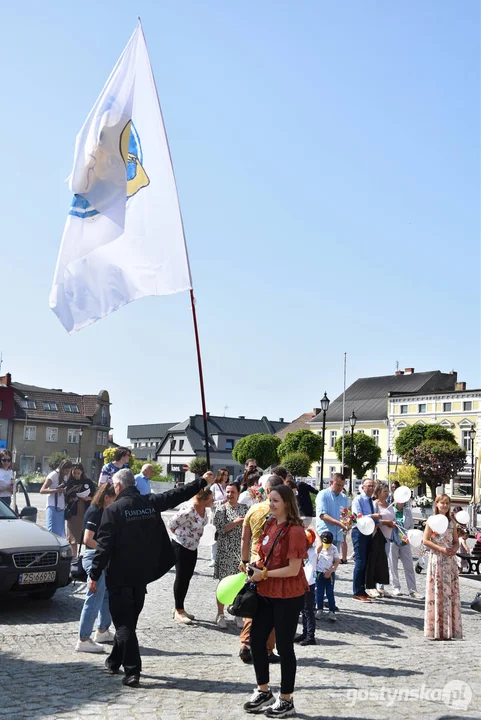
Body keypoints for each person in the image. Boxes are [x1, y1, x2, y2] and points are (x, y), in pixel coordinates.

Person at [88, 468, 207, 686]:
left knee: (124, 624)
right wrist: (200, 482)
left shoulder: (113, 510)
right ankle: (114, 660)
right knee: (129, 623)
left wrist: (94, 575)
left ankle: (133, 671)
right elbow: (176, 495)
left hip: (120, 576)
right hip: (142, 574)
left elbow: (103, 547)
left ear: (118, 486)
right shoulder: (149, 502)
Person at [243, 484, 308, 718]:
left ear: (287, 504)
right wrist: (254, 567)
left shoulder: (296, 531)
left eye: (275, 501)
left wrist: (266, 574)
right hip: (266, 590)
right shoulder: (269, 523)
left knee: (284, 646)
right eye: (269, 500)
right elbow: (263, 555)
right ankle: (264, 691)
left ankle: (286, 699)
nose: (270, 504)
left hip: (289, 595)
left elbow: (293, 569)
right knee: (256, 640)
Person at [238, 474, 284, 664]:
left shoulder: (253, 509)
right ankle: (266, 649)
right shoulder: (283, 511)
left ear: (265, 490)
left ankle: (245, 644)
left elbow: (244, 538)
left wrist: (244, 560)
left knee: (252, 605)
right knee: (272, 608)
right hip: (274, 565)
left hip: (255, 562)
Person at [76, 483, 116, 653]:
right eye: (114, 499)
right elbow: (87, 539)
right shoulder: (95, 511)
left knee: (105, 595)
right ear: (106, 497)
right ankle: (83, 639)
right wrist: (105, 549)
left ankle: (103, 630)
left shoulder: (103, 510)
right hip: (93, 557)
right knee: (94, 598)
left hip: (100, 557)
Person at [168, 485, 214, 624]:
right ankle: (179, 611)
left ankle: (179, 606)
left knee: (187, 577)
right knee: (181, 577)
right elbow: (171, 523)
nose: (213, 501)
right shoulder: (189, 510)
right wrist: (181, 536)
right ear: (204, 500)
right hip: (181, 546)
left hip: (192, 546)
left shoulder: (204, 509)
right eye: (211, 499)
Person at [423, 493, 462, 640]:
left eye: (447, 503)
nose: (445, 505)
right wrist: (440, 549)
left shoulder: (451, 522)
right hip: (438, 560)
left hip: (449, 561)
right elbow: (425, 540)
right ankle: (437, 629)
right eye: (442, 503)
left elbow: (456, 541)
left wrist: (455, 549)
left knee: (449, 593)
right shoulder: (431, 521)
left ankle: (449, 629)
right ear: (437, 504)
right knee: (438, 592)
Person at [213, 481, 247, 628]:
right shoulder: (221, 509)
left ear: (238, 493)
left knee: (239, 585)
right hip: (225, 551)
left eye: (232, 492)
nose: (229, 494)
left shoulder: (245, 508)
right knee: (223, 583)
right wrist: (235, 522)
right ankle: (220, 614)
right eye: (227, 492)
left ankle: (237, 613)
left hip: (239, 553)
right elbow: (220, 529)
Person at [351, 477, 382, 601]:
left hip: (369, 532)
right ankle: (357, 591)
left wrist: (378, 521)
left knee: (366, 562)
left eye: (372, 486)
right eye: (368, 486)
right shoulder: (358, 499)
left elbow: (373, 518)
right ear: (363, 487)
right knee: (360, 561)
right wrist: (372, 516)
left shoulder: (371, 501)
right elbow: (356, 517)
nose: (371, 488)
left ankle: (363, 589)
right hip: (359, 531)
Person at [365, 482, 395, 598]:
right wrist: (384, 523)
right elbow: (372, 520)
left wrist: (393, 523)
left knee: (384, 561)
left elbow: (392, 517)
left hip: (388, 536)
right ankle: (373, 586)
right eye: (384, 491)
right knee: (375, 561)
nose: (387, 494)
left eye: (388, 491)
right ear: (378, 493)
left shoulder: (390, 505)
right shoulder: (374, 504)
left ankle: (381, 586)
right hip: (377, 536)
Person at [389, 498, 423, 598]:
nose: (401, 502)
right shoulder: (390, 510)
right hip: (393, 540)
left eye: (403, 500)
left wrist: (409, 535)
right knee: (393, 565)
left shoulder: (407, 511)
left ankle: (412, 590)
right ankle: (396, 587)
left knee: (408, 566)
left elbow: (411, 526)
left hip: (405, 541)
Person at [65, 463, 96, 558]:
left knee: (86, 533)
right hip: (73, 511)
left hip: (85, 509)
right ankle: (74, 556)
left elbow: (96, 494)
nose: (76, 475)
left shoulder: (88, 482)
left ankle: (87, 555)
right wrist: (71, 499)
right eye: (74, 473)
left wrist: (89, 498)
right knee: (72, 535)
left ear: (82, 472)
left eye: (78, 473)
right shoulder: (69, 482)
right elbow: (65, 496)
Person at [294, 528, 317, 645]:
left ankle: (310, 636)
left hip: (308, 583)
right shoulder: (301, 550)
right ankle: (304, 633)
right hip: (300, 582)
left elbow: (321, 544)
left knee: (308, 611)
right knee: (303, 610)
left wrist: (313, 530)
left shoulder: (313, 551)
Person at [316, 474, 349, 551]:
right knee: (323, 561)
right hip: (325, 534)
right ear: (331, 482)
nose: (340, 488)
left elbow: (345, 515)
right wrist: (339, 523)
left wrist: (348, 523)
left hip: (338, 535)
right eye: (338, 485)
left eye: (342, 485)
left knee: (334, 561)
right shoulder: (323, 494)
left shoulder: (344, 498)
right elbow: (323, 515)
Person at [40, 459, 73, 537]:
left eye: (69, 471)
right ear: (62, 468)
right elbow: (42, 490)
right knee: (52, 533)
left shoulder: (65, 476)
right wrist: (56, 490)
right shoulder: (53, 475)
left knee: (60, 534)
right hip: (52, 506)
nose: (67, 473)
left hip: (61, 507)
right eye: (66, 471)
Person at [315, 530, 340, 621]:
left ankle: (332, 612)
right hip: (319, 573)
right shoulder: (319, 547)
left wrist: (331, 570)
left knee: (330, 593)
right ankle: (319, 610)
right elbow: (315, 558)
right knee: (319, 592)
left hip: (329, 574)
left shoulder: (334, 549)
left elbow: (337, 562)